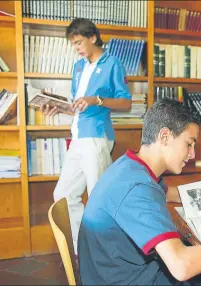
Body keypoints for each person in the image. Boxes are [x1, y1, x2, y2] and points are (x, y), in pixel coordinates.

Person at [77, 99, 201, 285]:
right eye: (189, 143)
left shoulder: (130, 166)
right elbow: (181, 267)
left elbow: (170, 194)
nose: (192, 154)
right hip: (131, 279)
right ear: (164, 136)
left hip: (119, 273)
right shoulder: (137, 189)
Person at [41, 18, 132, 252]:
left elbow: (126, 102)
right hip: (78, 137)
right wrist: (59, 108)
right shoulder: (78, 67)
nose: (77, 48)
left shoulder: (112, 63)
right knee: (63, 195)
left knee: (98, 199)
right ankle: (82, 249)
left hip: (97, 137)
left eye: (79, 42)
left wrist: (97, 100)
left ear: (93, 38)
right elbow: (77, 106)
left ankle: (108, 254)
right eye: (73, 44)